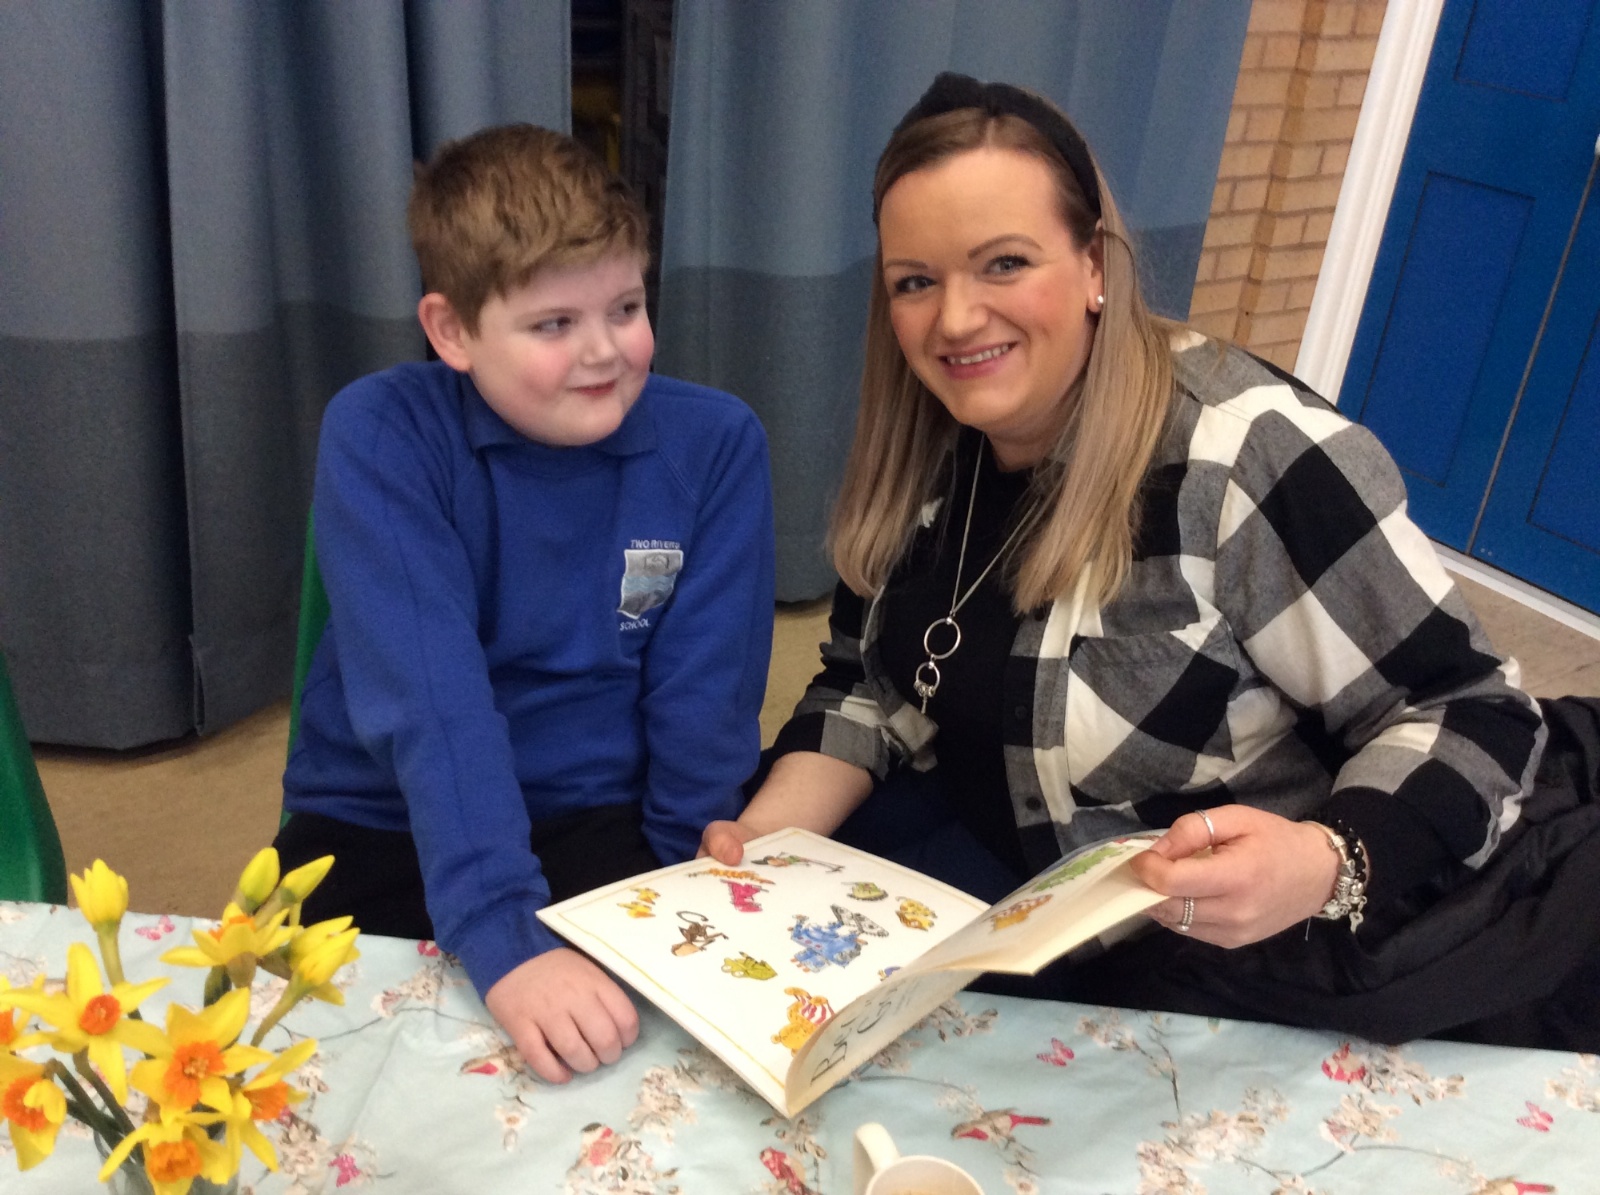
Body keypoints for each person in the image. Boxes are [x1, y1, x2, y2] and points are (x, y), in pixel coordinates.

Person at [702, 73, 1600, 1049]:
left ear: (1095, 264)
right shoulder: (924, 439)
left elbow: (1474, 711)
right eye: (915, 281)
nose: (954, 319)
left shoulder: (1246, 456)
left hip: (1242, 941)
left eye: (1004, 263)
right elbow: (867, 686)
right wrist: (764, 842)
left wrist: (1324, 862)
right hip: (1012, 868)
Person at [276, 124, 775, 1083]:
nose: (604, 351)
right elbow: (433, 702)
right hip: (385, 814)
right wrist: (503, 929)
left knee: (661, 1070)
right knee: (340, 1077)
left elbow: (706, 702)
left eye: (626, 307)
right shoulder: (379, 431)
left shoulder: (717, 444)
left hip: (605, 815)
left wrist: (676, 889)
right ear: (452, 331)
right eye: (554, 325)